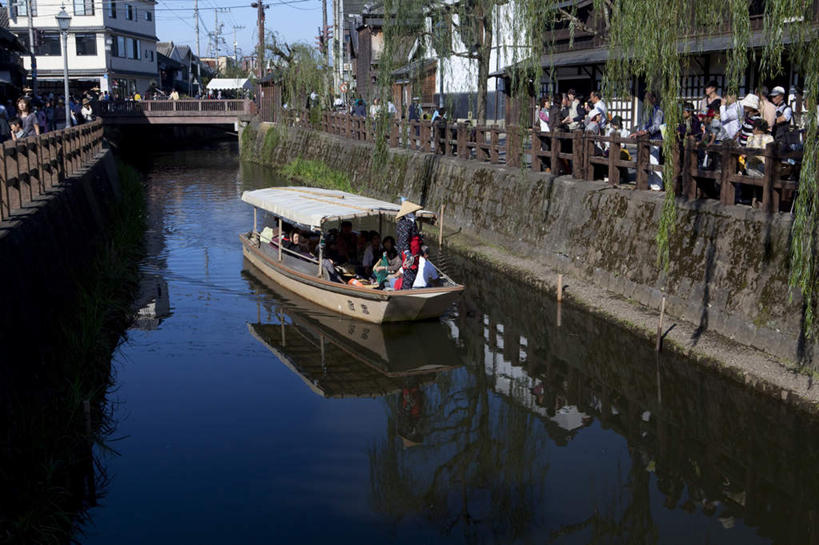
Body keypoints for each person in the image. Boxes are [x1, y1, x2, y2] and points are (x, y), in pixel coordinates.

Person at [395, 200, 422, 290]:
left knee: (412, 274)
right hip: (410, 253)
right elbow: (404, 239)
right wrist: (407, 253)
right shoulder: (405, 223)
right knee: (409, 274)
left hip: (414, 252)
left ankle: (406, 290)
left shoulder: (411, 222)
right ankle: (405, 292)